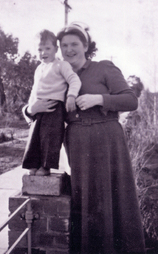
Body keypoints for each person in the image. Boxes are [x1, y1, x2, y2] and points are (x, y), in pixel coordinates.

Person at [57, 22, 146, 254]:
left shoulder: (104, 68)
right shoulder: (58, 75)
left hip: (107, 139)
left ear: (86, 45)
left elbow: (131, 100)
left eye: (74, 44)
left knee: (115, 196)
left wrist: (99, 99)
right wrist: (28, 110)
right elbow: (39, 101)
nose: (69, 49)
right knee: (85, 200)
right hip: (76, 141)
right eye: (64, 45)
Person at [22, 29, 81, 176]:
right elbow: (34, 91)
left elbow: (74, 80)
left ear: (56, 49)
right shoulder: (38, 69)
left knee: (50, 137)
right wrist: (30, 110)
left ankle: (45, 167)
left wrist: (71, 96)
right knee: (35, 137)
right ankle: (33, 165)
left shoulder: (61, 65)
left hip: (54, 108)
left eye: (47, 48)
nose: (43, 52)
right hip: (38, 107)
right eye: (40, 49)